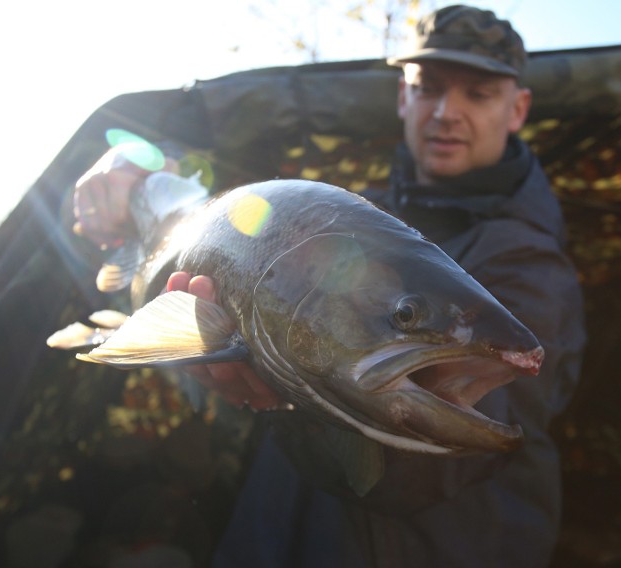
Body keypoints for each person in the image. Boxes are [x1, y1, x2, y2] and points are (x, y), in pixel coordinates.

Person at [73, 5, 585, 567]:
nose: (446, 113)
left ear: (518, 110)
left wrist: (290, 394)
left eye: (478, 95)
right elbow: (201, 195)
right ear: (401, 98)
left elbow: (439, 466)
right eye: (428, 88)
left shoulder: (533, 265)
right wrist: (137, 163)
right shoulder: (350, 213)